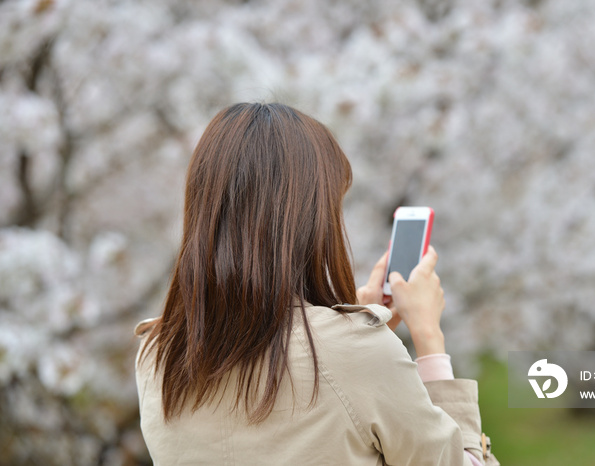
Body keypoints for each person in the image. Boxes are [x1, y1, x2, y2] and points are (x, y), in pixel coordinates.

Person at [134, 102, 498, 465]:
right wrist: (428, 337)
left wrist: (346, 321)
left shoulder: (156, 355)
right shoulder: (356, 354)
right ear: (312, 219)